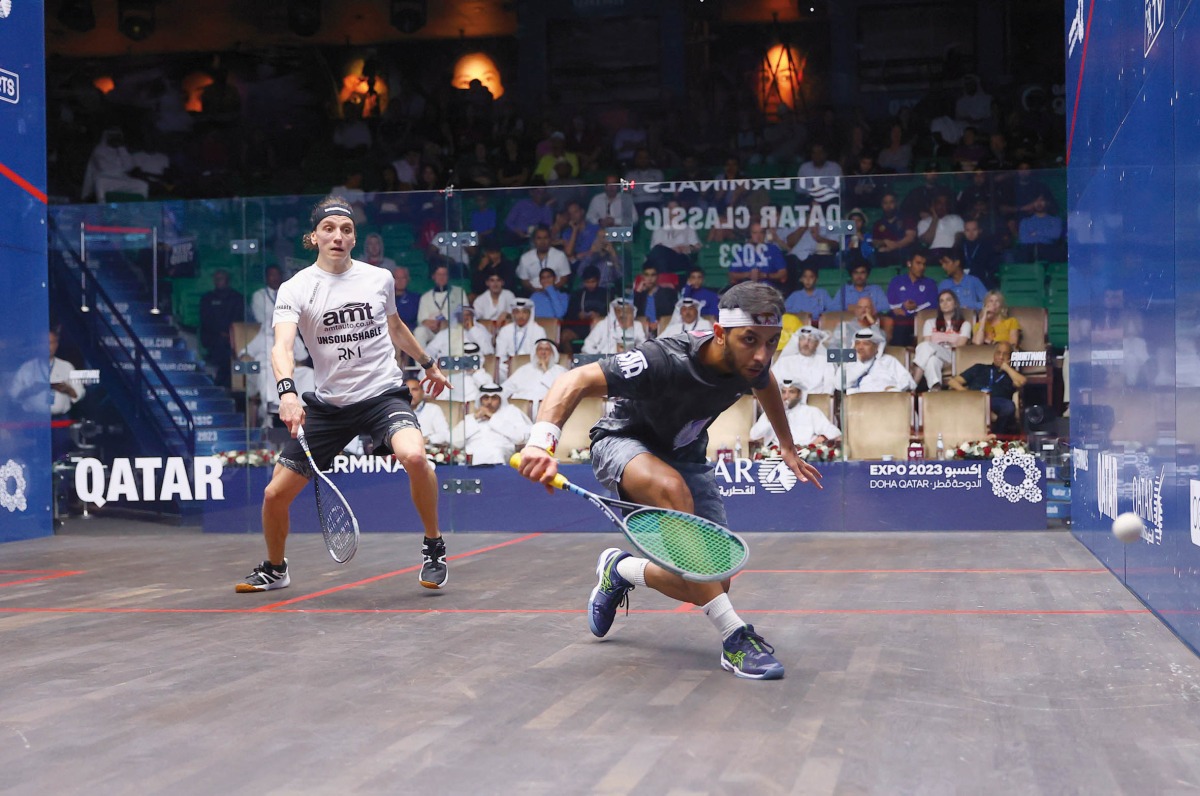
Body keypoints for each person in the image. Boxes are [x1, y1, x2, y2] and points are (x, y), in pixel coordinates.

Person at [515, 282, 823, 680]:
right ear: (719, 334)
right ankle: (735, 637)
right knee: (670, 490)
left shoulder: (753, 364)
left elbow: (767, 385)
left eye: (771, 342)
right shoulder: (661, 359)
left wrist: (787, 446)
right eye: (750, 340)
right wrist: (541, 443)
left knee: (714, 580)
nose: (762, 355)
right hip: (623, 443)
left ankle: (621, 571)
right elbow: (574, 381)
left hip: (687, 457)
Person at [235, 196, 452, 594]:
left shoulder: (378, 279)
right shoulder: (295, 288)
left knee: (415, 456)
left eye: (346, 229)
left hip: (382, 396)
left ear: (354, 238)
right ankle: (275, 567)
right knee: (272, 495)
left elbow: (396, 326)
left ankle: (434, 545)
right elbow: (281, 346)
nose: (338, 236)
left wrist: (427, 363)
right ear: (314, 236)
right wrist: (288, 393)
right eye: (329, 228)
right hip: (329, 406)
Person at [11, 329, 87, 459]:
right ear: (38, 345)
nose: (48, 347)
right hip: (35, 420)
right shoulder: (27, 368)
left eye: (51, 343)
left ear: (56, 345)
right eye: (44, 343)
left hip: (60, 421)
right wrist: (30, 390)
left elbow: (79, 393)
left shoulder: (66, 367)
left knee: (60, 454)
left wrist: (67, 389)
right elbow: (13, 395)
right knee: (37, 456)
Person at [948, 341, 1026, 433]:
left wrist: (1007, 368)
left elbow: (1022, 381)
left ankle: (997, 438)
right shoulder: (980, 368)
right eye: (998, 353)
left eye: (1005, 354)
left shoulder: (1011, 375)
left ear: (1010, 357)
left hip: (997, 401)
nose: (1001, 357)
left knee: (1009, 407)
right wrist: (968, 393)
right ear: (994, 355)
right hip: (974, 399)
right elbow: (952, 382)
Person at [451, 383, 531, 464]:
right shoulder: (470, 418)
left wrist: (492, 418)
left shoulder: (511, 412)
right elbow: (455, 442)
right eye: (486, 398)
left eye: (494, 398)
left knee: (495, 452)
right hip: (472, 454)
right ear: (480, 399)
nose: (489, 402)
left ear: (500, 399)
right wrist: (475, 418)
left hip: (501, 452)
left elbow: (520, 438)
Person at [749, 379, 841, 450]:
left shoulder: (811, 412)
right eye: (784, 392)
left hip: (805, 455)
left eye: (791, 392)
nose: (786, 396)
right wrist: (770, 417)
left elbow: (834, 432)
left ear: (799, 394)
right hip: (777, 455)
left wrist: (814, 444)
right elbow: (754, 435)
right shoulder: (771, 412)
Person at [912, 290, 972, 391]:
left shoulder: (965, 324)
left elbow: (960, 347)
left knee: (927, 347)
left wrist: (942, 346)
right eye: (941, 301)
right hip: (933, 355)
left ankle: (913, 384)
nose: (945, 303)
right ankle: (935, 390)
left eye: (948, 300)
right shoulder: (930, 323)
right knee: (932, 361)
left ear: (955, 303)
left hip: (952, 356)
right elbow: (925, 344)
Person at [198, 269, 244, 388]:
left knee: (231, 350)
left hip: (234, 336)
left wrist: (230, 334)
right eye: (216, 279)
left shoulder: (237, 298)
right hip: (213, 337)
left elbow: (239, 318)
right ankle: (222, 383)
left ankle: (223, 383)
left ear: (227, 280)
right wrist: (221, 333)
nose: (218, 281)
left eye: (221, 278)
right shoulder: (207, 298)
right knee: (223, 349)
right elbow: (206, 321)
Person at [837, 328, 915, 394]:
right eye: (857, 343)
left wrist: (895, 389)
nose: (860, 347)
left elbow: (908, 381)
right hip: (860, 406)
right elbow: (839, 385)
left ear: (877, 347)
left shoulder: (888, 360)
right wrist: (861, 365)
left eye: (866, 344)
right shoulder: (848, 363)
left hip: (888, 403)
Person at [886, 252, 938, 346]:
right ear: (909, 263)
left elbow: (933, 305)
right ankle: (899, 356)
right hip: (899, 321)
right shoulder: (896, 281)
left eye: (924, 264)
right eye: (918, 263)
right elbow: (890, 304)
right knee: (900, 322)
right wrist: (903, 306)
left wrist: (915, 308)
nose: (922, 267)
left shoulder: (930, 283)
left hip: (919, 320)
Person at [502, 338, 568, 411]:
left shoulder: (560, 371)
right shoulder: (524, 369)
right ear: (535, 353)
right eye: (540, 349)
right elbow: (506, 388)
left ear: (553, 353)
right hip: (521, 411)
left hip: (548, 410)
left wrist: (545, 370)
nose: (543, 352)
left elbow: (561, 392)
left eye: (547, 349)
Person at [414, 263, 468, 347]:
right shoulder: (426, 297)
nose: (441, 277)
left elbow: (465, 314)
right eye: (439, 274)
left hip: (452, 328)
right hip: (432, 330)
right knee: (419, 331)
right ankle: (422, 360)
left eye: (444, 274)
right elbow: (422, 319)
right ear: (433, 276)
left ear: (448, 277)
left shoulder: (459, 292)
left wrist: (444, 324)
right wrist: (431, 324)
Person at [772, 326, 837, 396]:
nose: (806, 343)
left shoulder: (825, 361)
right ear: (798, 341)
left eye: (811, 340)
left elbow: (829, 387)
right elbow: (772, 384)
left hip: (816, 402)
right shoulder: (784, 361)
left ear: (817, 344)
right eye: (803, 338)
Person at [425, 305, 494, 362]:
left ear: (472, 317)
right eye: (461, 315)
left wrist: (472, 329)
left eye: (468, 315)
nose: (465, 318)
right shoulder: (446, 333)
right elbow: (430, 350)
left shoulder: (480, 331)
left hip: (472, 369)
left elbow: (488, 352)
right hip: (448, 368)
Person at [495, 297, 542, 380]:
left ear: (530, 314)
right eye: (517, 312)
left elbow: (539, 355)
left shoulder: (538, 330)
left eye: (524, 312)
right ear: (512, 314)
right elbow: (500, 354)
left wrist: (521, 363)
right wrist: (510, 363)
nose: (520, 316)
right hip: (508, 367)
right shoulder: (505, 330)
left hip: (530, 366)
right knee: (499, 368)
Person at [516, 225, 572, 293]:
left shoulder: (560, 256)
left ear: (550, 239)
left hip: (556, 292)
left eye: (545, 238)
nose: (542, 241)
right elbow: (524, 281)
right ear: (534, 240)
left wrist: (551, 290)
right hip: (532, 293)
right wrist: (536, 291)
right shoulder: (525, 258)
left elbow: (564, 278)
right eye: (539, 238)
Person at [582, 298, 648, 354]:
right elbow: (588, 344)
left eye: (626, 311)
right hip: (605, 360)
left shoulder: (637, 325)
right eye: (619, 311)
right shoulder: (604, 324)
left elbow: (643, 346)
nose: (622, 314)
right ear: (614, 311)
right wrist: (597, 355)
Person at [632, 264, 679, 336]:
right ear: (643, 277)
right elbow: (631, 312)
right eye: (646, 275)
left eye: (652, 275)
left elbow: (673, 313)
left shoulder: (667, 293)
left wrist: (659, 323)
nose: (650, 278)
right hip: (643, 332)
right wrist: (638, 291)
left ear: (657, 276)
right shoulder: (640, 294)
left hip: (664, 330)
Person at [405, 376, 449, 447]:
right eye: (407, 390)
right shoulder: (396, 411)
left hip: (426, 451)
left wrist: (427, 439)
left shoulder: (433, 409)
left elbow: (444, 434)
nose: (410, 393)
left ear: (422, 392)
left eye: (414, 389)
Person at [249, 265, 284, 340]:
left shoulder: (288, 294)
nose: (275, 278)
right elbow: (261, 320)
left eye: (277, 275)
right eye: (272, 275)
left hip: (289, 335)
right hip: (267, 335)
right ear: (266, 278)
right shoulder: (259, 295)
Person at [391, 266, 420, 332]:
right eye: (397, 278)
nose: (400, 281)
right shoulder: (386, 298)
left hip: (410, 332)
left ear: (408, 279)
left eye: (403, 278)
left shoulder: (415, 298)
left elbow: (410, 316)